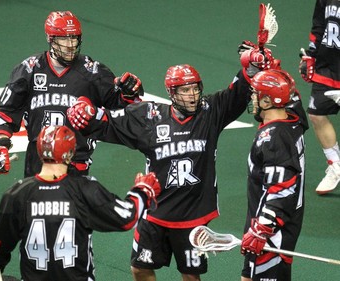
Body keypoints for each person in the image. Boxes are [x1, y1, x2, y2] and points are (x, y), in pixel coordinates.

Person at [66, 44, 278, 280]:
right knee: (140, 267)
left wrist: (250, 68)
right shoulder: (149, 117)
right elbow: (109, 123)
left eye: (195, 89)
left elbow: (237, 93)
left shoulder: (210, 112)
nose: (192, 95)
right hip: (156, 213)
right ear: (172, 93)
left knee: (190, 275)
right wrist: (88, 114)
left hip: (192, 217)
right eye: (185, 90)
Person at [0, 125, 161, 281]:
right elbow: (127, 217)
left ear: (39, 150)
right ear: (71, 153)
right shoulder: (84, 189)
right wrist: (142, 191)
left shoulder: (17, 194)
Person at [0, 10, 143, 178]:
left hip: (76, 159)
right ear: (50, 39)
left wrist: (128, 93)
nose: (70, 44)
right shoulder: (29, 69)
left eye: (74, 38)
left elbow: (121, 108)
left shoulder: (93, 72)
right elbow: (7, 110)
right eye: (64, 39)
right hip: (38, 160)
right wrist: (2, 142)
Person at [240, 69, 308, 281]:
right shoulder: (294, 121)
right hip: (275, 225)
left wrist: (263, 229)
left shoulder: (274, 139)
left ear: (268, 101)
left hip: (273, 231)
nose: (252, 98)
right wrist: (269, 68)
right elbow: (294, 97)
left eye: (256, 94)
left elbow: (283, 187)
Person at [299, 0, 340, 194]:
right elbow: (318, 25)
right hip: (328, 66)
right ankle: (336, 165)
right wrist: (311, 55)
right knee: (317, 114)